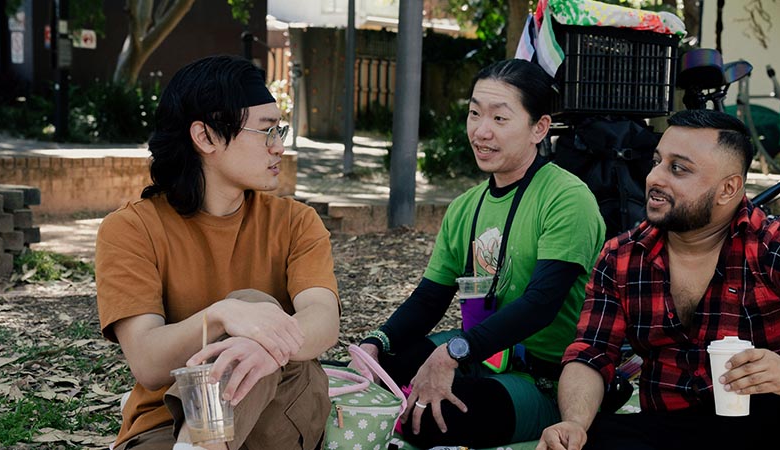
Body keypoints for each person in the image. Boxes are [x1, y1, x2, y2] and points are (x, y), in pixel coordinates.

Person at [355, 58, 606, 449]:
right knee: (381, 369)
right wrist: (377, 342)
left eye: (500, 119)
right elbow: (429, 298)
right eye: (474, 114)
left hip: (547, 378)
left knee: (433, 420)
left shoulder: (567, 198)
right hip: (481, 354)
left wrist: (452, 354)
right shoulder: (465, 207)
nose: (481, 131)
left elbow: (542, 304)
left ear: (539, 128)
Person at [95, 55, 340, 450]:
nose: (279, 146)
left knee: (254, 306)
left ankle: (198, 445)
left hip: (281, 412)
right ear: (206, 136)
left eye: (280, 130)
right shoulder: (131, 229)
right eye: (265, 131)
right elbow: (148, 362)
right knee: (245, 308)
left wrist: (260, 343)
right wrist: (222, 315)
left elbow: (323, 320)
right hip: (166, 423)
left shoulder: (297, 222)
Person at [537, 109, 780, 450]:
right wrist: (574, 423)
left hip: (771, 422)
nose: (655, 178)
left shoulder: (771, 246)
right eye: (657, 161)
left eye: (678, 168)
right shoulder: (621, 257)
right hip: (670, 427)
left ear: (728, 188)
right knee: (587, 440)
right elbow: (592, 353)